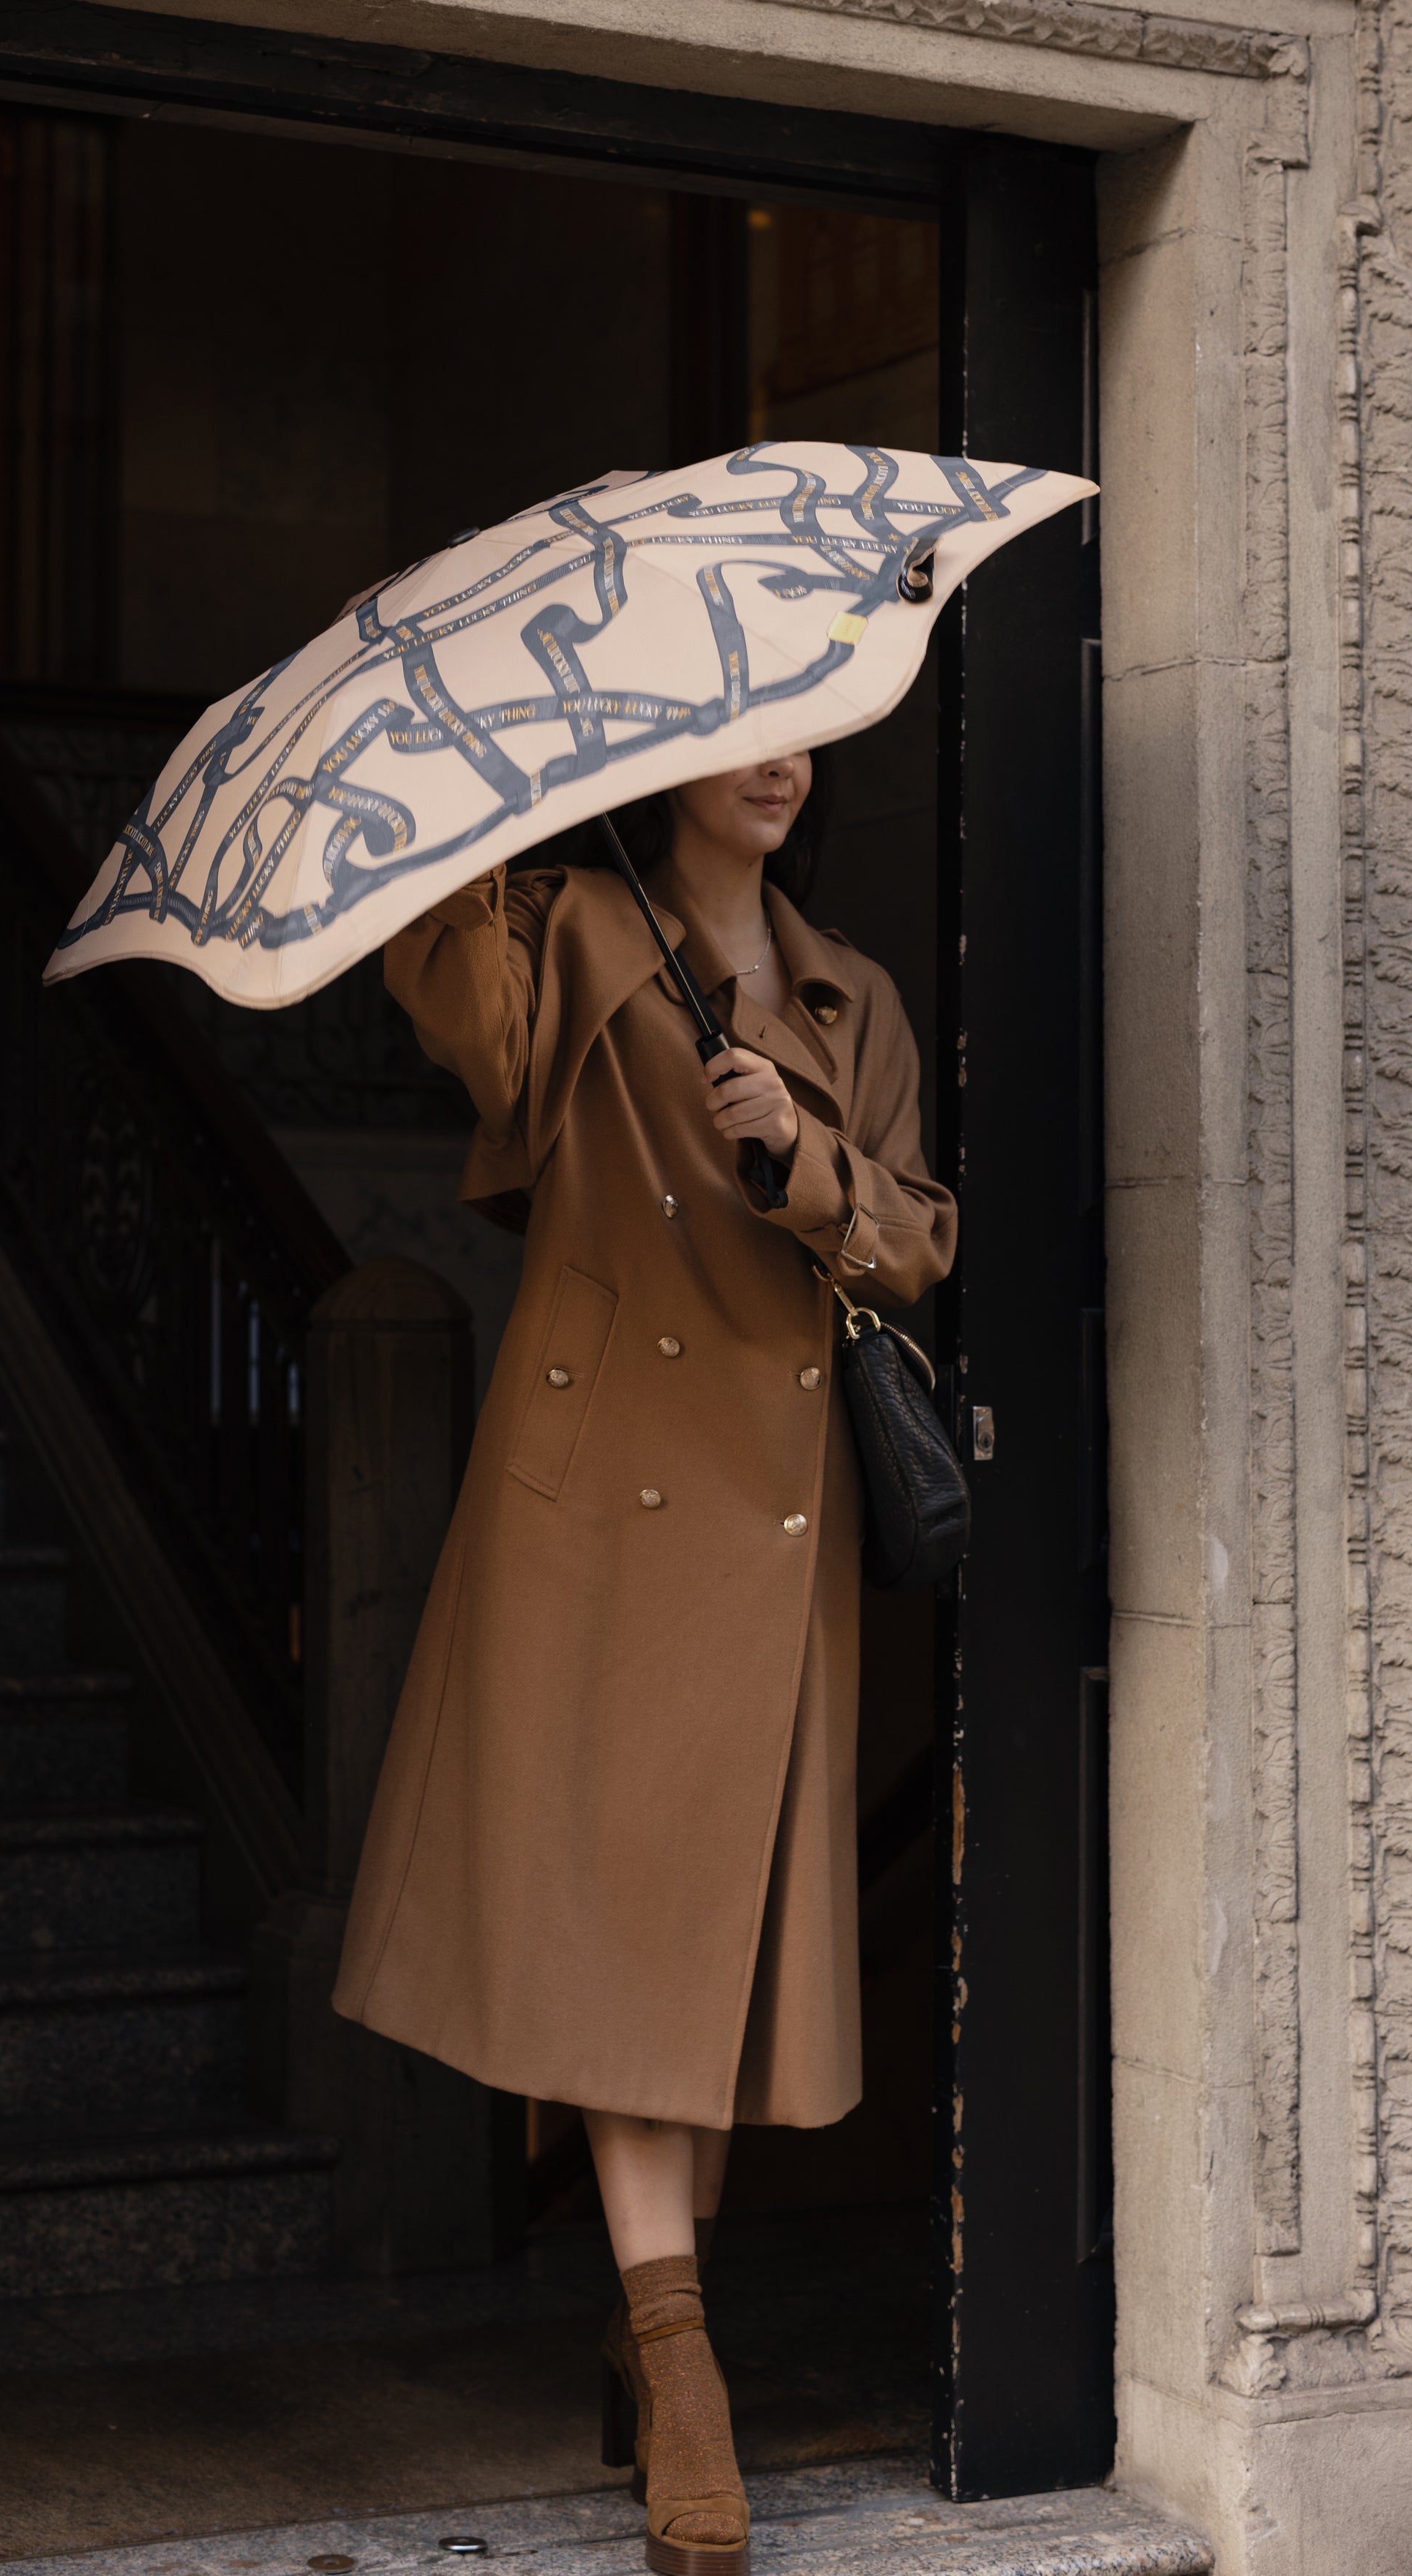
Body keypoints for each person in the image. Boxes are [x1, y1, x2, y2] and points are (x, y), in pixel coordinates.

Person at [333, 750, 956, 2576]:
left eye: (799, 735)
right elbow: (476, 1038)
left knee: (712, 1950)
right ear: (667, 761)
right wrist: (481, 814)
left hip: (775, 1515)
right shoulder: (577, 925)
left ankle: (648, 2314)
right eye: (746, 735)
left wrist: (801, 1156)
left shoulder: (852, 994)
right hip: (604, 1491)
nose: (778, 764)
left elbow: (919, 1238)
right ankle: (682, 2360)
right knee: (627, 1931)